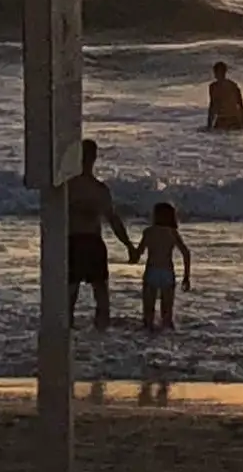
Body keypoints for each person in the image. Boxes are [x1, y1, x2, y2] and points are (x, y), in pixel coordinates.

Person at [67, 139, 135, 328]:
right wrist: (128, 245)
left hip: (81, 241)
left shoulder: (69, 187)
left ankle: (75, 331)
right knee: (96, 294)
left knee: (77, 293)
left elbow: (113, 220)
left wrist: (128, 244)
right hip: (86, 241)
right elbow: (113, 219)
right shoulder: (96, 189)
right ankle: (98, 331)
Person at [137, 202, 192, 330]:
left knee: (148, 314)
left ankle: (146, 340)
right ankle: (168, 341)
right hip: (167, 273)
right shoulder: (172, 233)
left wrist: (130, 252)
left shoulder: (149, 232)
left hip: (151, 272)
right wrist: (186, 276)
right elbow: (186, 253)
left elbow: (138, 253)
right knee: (167, 315)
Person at [206, 61, 243, 131]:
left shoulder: (232, 86)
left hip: (230, 120)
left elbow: (240, 104)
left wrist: (242, 123)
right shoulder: (213, 87)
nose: (215, 74)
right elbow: (212, 106)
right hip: (224, 119)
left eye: (216, 72)